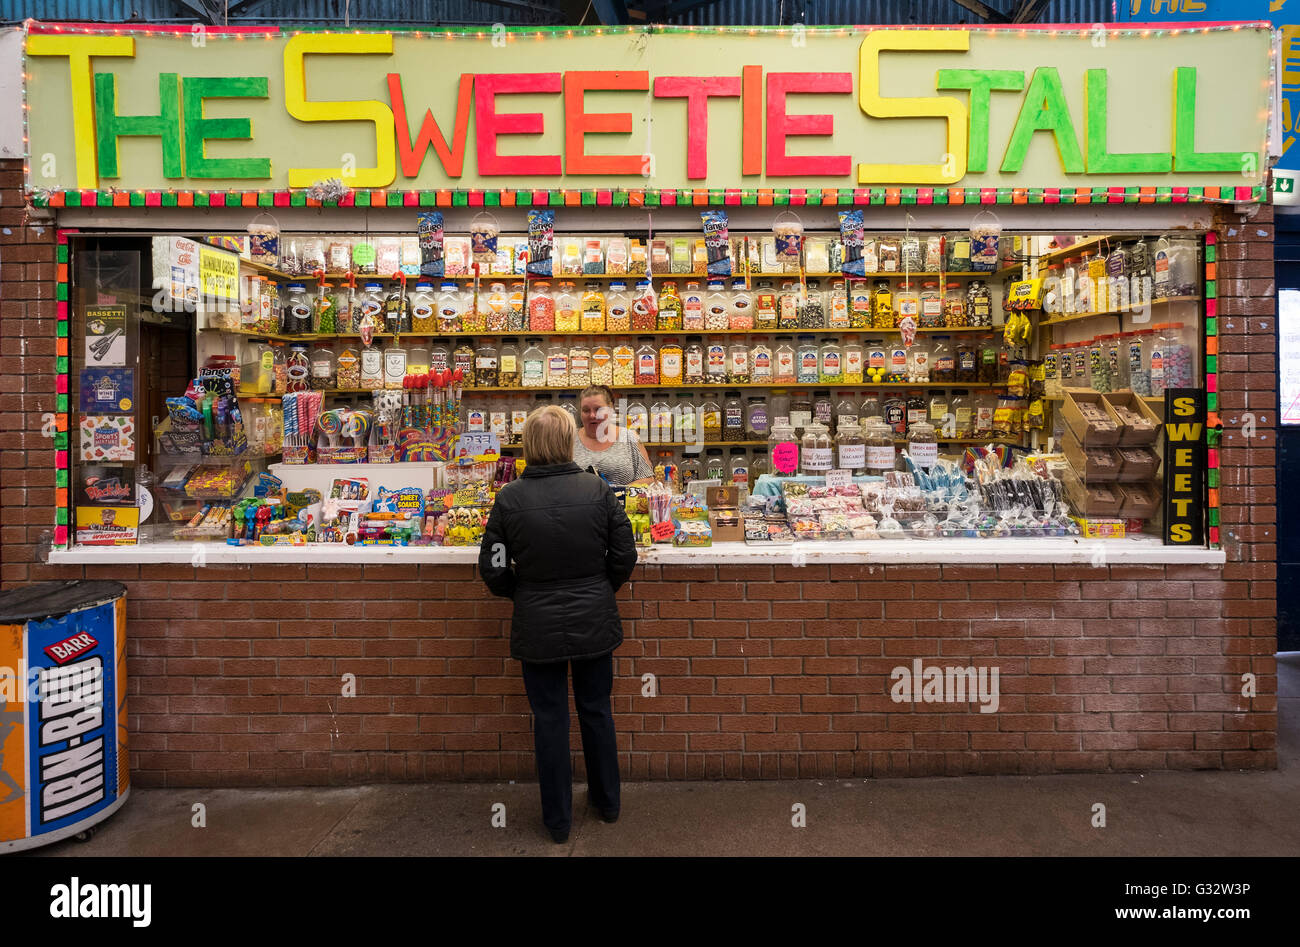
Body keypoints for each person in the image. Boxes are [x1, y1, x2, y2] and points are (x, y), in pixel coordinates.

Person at [479, 405, 638, 843]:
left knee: (549, 720)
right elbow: (625, 555)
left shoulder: (509, 497)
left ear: (530, 444)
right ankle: (607, 805)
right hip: (594, 618)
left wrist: (523, 593)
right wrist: (599, 589)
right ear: (567, 442)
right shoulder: (597, 489)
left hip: (537, 625)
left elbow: (492, 567)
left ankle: (558, 822)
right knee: (597, 712)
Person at [572, 384, 654, 486]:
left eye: (598, 409)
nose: (592, 415)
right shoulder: (569, 439)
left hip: (623, 501)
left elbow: (648, 479)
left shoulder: (629, 437)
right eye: (586, 410)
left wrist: (616, 494)